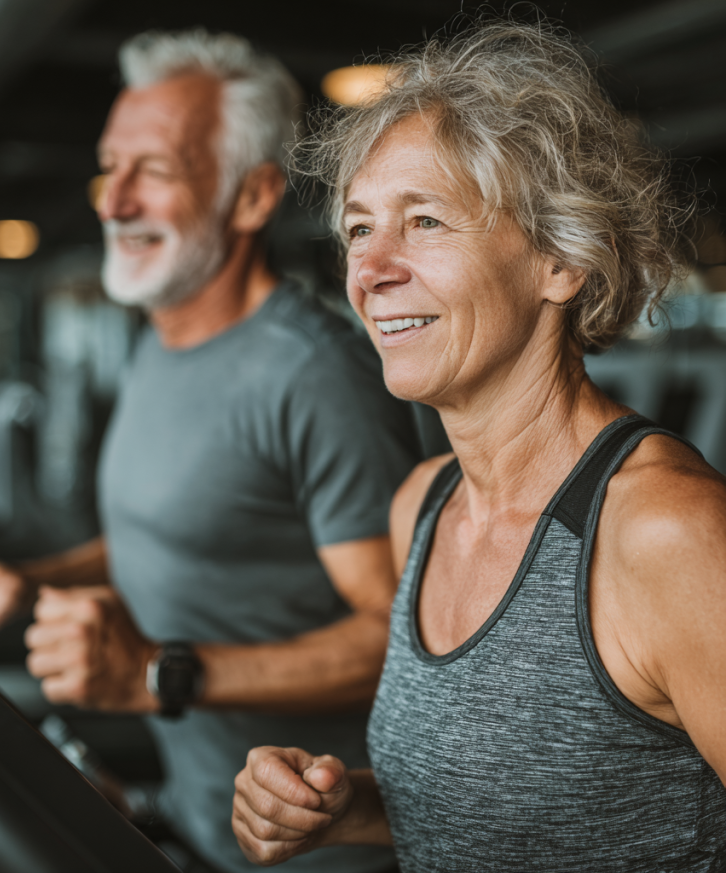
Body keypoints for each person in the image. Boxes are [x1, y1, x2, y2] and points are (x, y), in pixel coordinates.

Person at [232, 20, 726, 872]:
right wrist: (348, 805)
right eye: (357, 229)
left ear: (560, 260)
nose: (371, 268)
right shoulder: (421, 506)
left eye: (423, 221)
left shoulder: (663, 532)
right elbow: (526, 816)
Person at [0, 31, 418, 873]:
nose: (113, 201)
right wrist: (36, 581)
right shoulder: (159, 346)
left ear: (252, 197)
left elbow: (399, 639)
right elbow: (174, 542)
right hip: (202, 823)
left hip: (320, 855)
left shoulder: (312, 375)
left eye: (153, 170)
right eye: (109, 166)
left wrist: (160, 674)